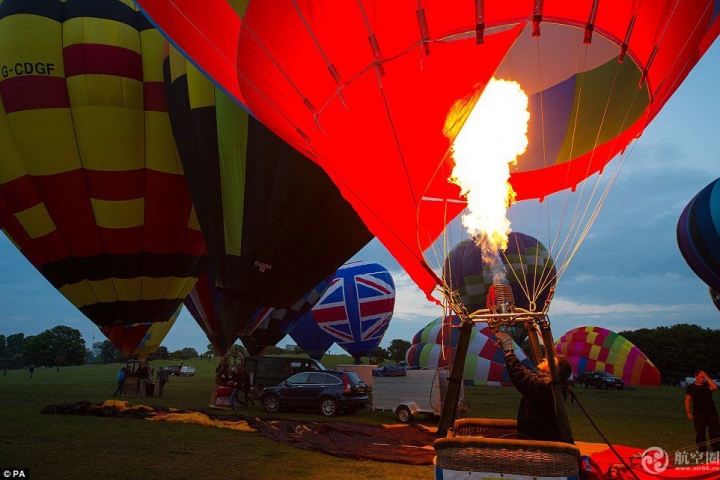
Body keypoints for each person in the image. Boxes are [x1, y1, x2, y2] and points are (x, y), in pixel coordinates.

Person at [496, 331, 573, 442]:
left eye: (549, 360)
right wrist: (507, 352)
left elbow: (520, 376)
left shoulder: (548, 387)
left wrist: (508, 349)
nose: (544, 359)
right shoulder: (551, 385)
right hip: (537, 438)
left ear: (555, 369)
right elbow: (526, 374)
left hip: (539, 443)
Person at [685, 369, 720, 452]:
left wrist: (706, 376)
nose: (702, 379)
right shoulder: (691, 387)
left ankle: (716, 449)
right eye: (700, 377)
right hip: (698, 414)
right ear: (696, 377)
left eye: (703, 378)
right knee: (700, 433)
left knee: (715, 432)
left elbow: (715, 387)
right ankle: (702, 451)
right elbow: (687, 400)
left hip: (711, 413)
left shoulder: (707, 385)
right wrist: (688, 411)